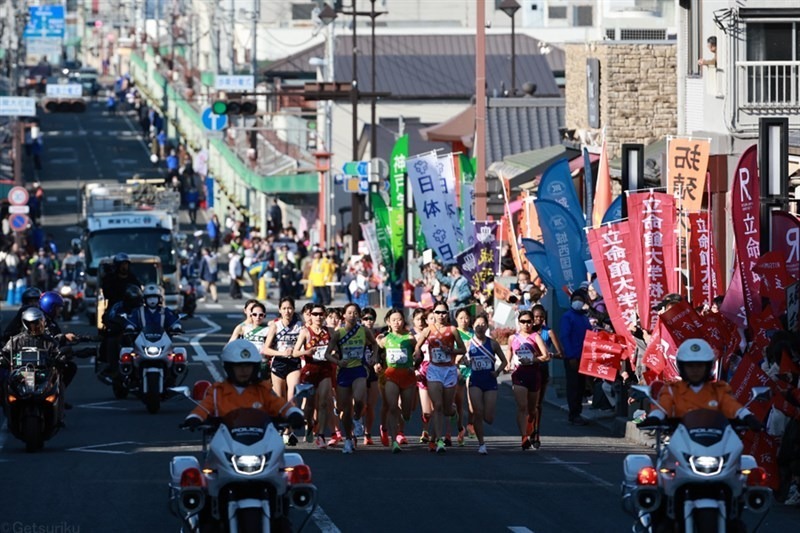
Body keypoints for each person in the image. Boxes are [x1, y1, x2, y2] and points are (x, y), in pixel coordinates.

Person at [179, 339, 305, 430]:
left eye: (248, 366)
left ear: (255, 368)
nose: (244, 371)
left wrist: (295, 414)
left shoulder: (262, 390)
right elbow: (203, 409)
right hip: (226, 446)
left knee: (292, 463)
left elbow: (281, 406)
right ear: (229, 368)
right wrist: (194, 418)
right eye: (238, 367)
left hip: (260, 445)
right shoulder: (218, 391)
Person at [640, 338, 762, 430]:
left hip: (716, 445)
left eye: (700, 366)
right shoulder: (672, 389)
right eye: (690, 366)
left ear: (708, 366)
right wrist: (654, 417)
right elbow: (662, 407)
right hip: (680, 444)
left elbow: (732, 406)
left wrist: (747, 416)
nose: (695, 370)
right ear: (682, 367)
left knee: (747, 462)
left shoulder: (720, 389)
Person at [413, 302, 467, 453]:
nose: (440, 315)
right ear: (434, 313)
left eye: (443, 313)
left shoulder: (453, 330)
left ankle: (453, 411)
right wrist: (417, 354)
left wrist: (450, 350)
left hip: (449, 371)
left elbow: (462, 349)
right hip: (434, 370)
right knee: (437, 406)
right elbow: (417, 346)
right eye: (438, 312)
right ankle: (439, 441)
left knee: (446, 409)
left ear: (447, 314)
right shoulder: (428, 330)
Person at [327, 303, 378, 454]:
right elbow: (327, 354)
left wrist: (374, 356)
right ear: (344, 315)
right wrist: (337, 361)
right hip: (344, 372)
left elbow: (374, 344)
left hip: (359, 369)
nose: (352, 315)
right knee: (345, 408)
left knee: (359, 398)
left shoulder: (364, 331)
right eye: (349, 313)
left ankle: (357, 419)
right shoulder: (338, 333)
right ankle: (348, 439)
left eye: (355, 313)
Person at [293, 304, 336, 449]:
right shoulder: (305, 332)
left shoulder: (330, 331)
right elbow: (294, 352)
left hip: (325, 369)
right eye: (315, 314)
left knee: (324, 403)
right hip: (310, 369)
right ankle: (310, 425)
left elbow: (336, 349)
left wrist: (334, 354)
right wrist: (306, 352)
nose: (318, 317)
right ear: (310, 316)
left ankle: (321, 435)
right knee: (310, 406)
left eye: (321, 314)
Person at [375, 308, 418, 453]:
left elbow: (419, 354)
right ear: (388, 322)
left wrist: (416, 364)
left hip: (407, 376)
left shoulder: (410, 338)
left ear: (403, 321)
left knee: (406, 413)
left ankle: (403, 418)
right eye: (393, 320)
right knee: (392, 407)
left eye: (399, 319)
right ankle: (394, 441)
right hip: (391, 375)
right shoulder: (386, 339)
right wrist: (377, 363)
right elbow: (378, 350)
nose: (397, 323)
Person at [465, 313, 508, 455]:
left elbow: (504, 361)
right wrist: (465, 362)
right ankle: (481, 443)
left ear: (487, 326)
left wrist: (498, 372)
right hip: (475, 380)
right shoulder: (469, 343)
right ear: (473, 327)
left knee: (488, 417)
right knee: (477, 412)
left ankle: (484, 422)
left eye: (483, 324)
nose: (480, 327)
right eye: (477, 325)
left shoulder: (493, 343)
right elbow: (460, 358)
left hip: (489, 381)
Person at [263, 297, 304, 444]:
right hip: (279, 363)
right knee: (280, 400)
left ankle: (289, 431)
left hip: (294, 363)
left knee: (292, 397)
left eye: (290, 308)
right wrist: (282, 353)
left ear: (294, 309)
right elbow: (265, 349)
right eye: (284, 308)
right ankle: (281, 429)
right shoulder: (275, 326)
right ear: (280, 310)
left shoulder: (300, 326)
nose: (287, 311)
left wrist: (298, 351)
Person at [510, 310, 552, 450]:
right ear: (519, 322)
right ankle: (524, 438)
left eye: (529, 321)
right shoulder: (513, 338)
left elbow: (546, 356)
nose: (526, 324)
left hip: (533, 374)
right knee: (522, 407)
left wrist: (532, 359)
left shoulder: (536, 337)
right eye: (523, 321)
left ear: (532, 322)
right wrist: (509, 364)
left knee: (532, 410)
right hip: (518, 375)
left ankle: (530, 424)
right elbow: (509, 357)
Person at [559, 289, 593, 425]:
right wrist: (571, 355)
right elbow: (564, 337)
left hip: (584, 356)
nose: (577, 301)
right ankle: (574, 413)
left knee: (580, 386)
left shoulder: (584, 317)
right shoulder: (568, 316)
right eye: (575, 299)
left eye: (580, 299)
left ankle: (577, 412)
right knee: (573, 385)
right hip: (573, 357)